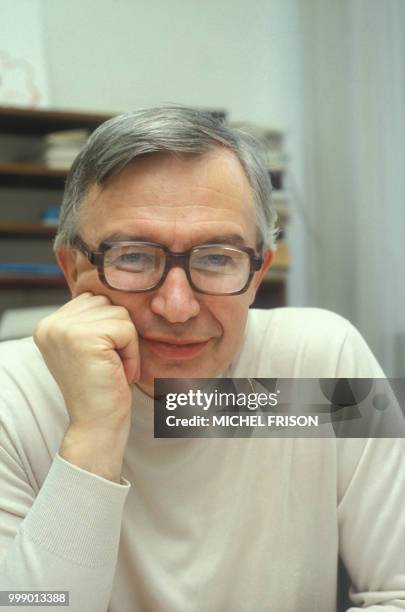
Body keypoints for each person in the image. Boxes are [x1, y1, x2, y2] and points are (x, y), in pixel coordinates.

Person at [0, 107, 404, 612]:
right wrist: (93, 434)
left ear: (258, 274)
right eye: (133, 256)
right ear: (73, 267)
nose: (177, 306)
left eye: (216, 258)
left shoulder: (321, 364)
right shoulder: (11, 395)